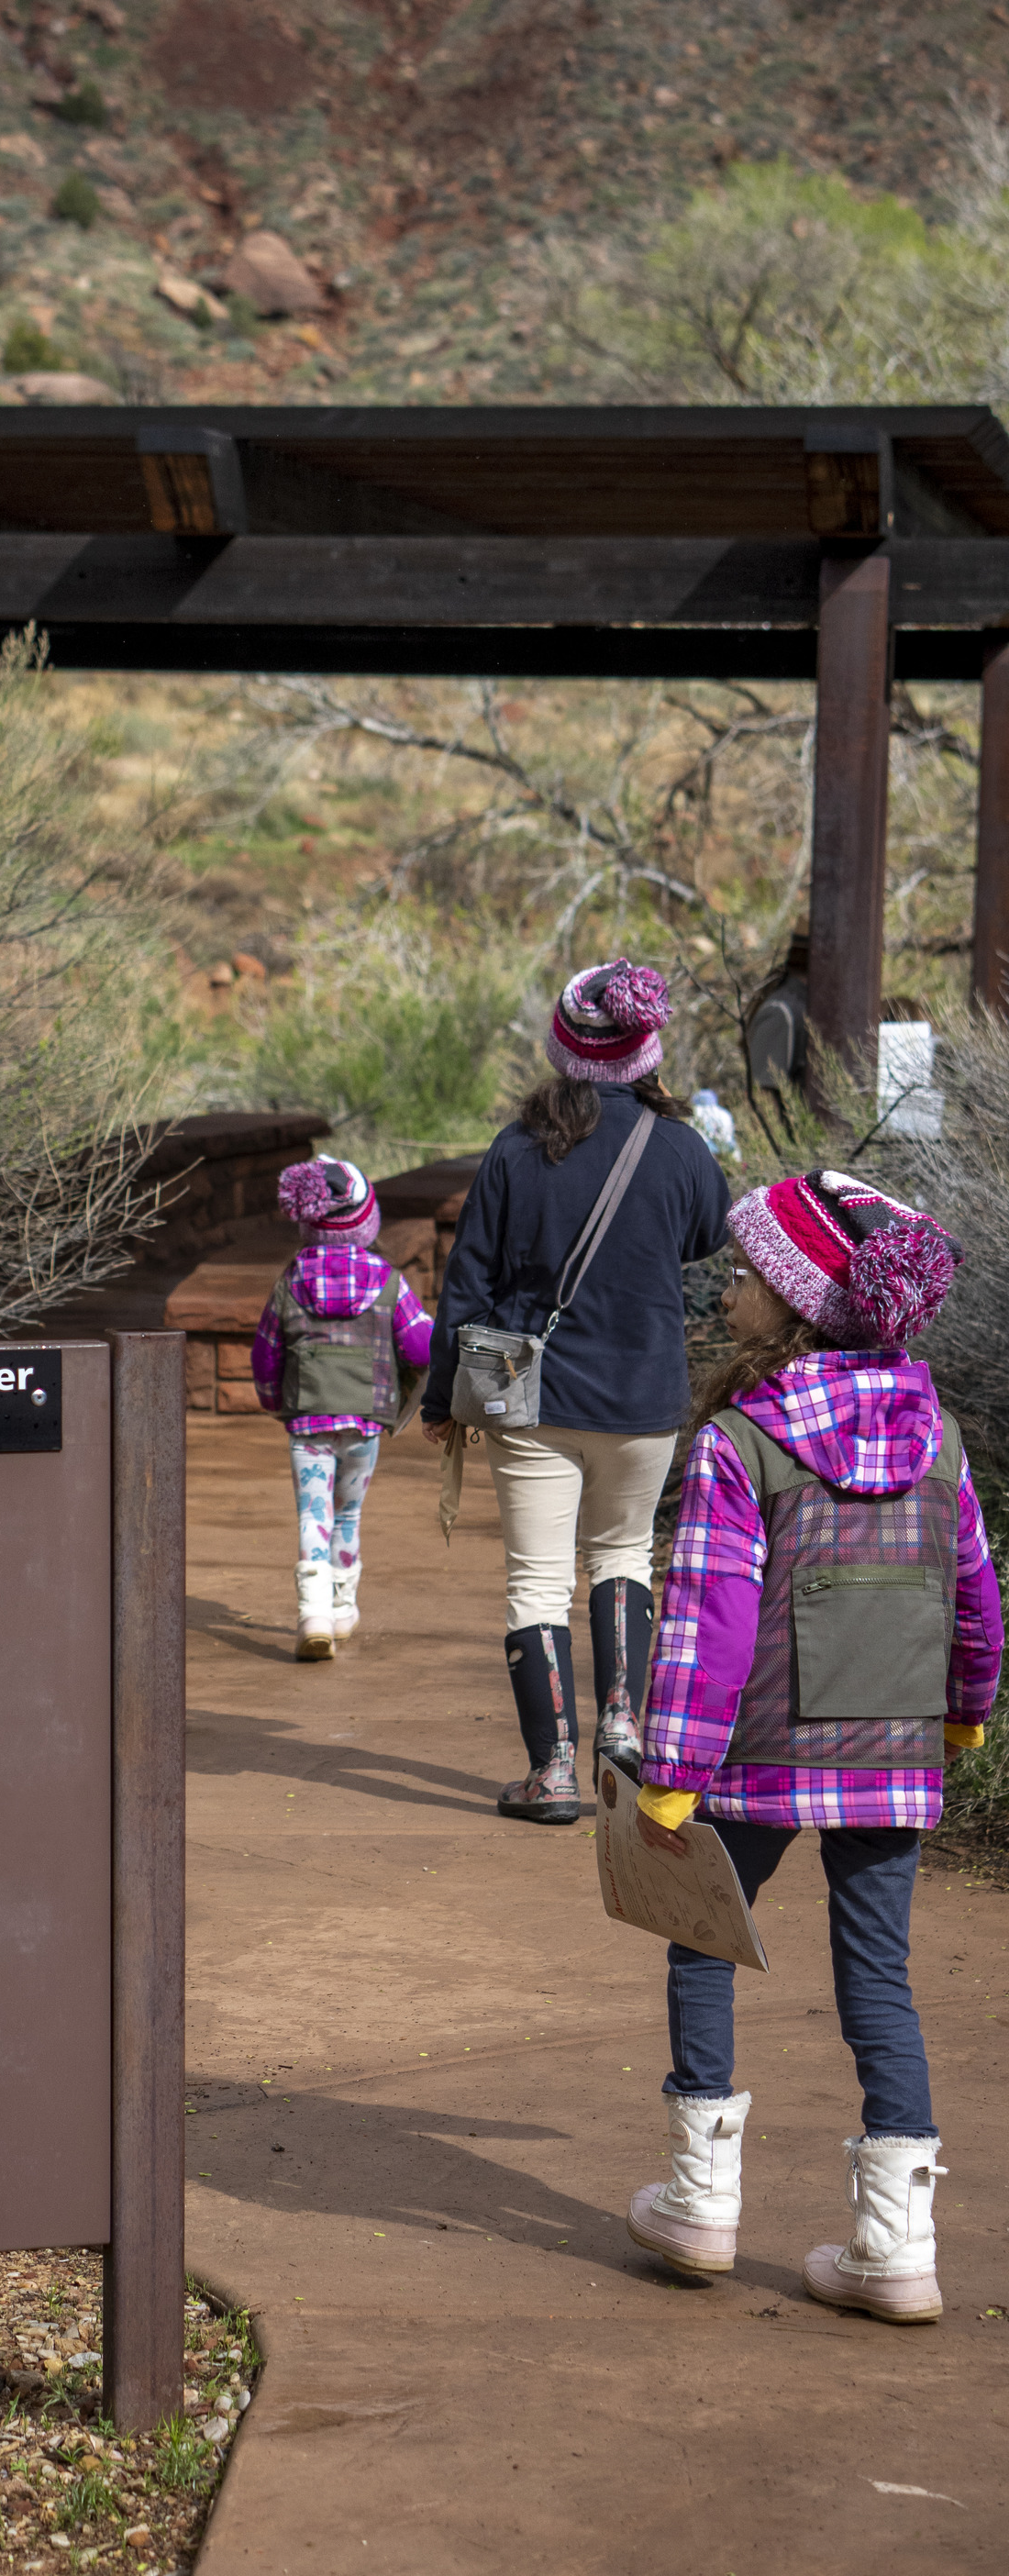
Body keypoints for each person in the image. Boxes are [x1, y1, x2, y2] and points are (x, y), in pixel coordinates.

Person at [627, 1171, 1002, 2325]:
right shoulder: (937, 1435)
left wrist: (670, 1776)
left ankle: (700, 2201)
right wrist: (966, 1708)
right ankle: (896, 2246)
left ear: (793, 1307)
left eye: (746, 1276)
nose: (731, 1290)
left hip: (756, 1757)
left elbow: (707, 1622)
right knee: (878, 1982)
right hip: (891, 1753)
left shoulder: (742, 1443)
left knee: (705, 1944)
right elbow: (977, 1590)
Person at [422, 960, 731, 1821]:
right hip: (644, 1395)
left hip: (533, 1396)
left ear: (564, 1051)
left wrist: (442, 1400)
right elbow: (711, 1230)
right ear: (646, 1052)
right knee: (626, 1556)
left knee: (536, 1580)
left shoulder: (518, 1149)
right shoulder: (679, 1147)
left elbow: (468, 1282)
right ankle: (622, 1733)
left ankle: (552, 1773)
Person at [251, 1156, 434, 1660]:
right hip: (365, 1422)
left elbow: (266, 1352)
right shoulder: (386, 1280)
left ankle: (312, 1613)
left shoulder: (291, 1281)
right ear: (366, 1220)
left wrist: (274, 1402)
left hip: (307, 1423)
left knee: (314, 1515)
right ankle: (342, 1607)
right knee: (348, 1514)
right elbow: (422, 1348)